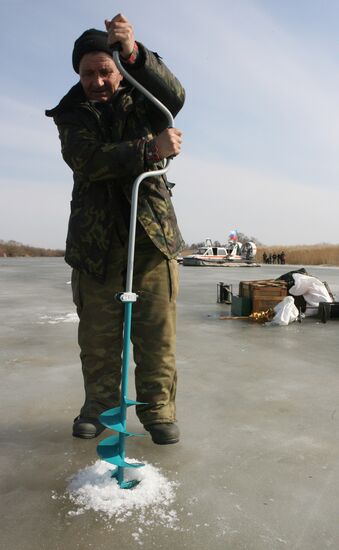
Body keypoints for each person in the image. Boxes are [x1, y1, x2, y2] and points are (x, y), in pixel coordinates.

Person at [45, 13, 185, 445]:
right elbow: (89, 160)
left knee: (155, 338)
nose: (98, 81)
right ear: (78, 75)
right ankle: (99, 409)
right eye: (88, 73)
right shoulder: (72, 115)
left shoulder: (141, 97)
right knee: (99, 340)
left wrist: (135, 54)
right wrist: (150, 148)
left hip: (150, 240)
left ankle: (158, 413)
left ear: (117, 71)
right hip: (96, 247)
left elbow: (174, 95)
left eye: (105, 70)